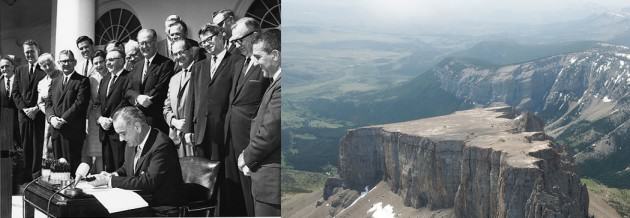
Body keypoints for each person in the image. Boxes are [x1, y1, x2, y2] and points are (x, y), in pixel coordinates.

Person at [183, 23, 242, 216]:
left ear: (221, 36)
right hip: (201, 132)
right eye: (203, 42)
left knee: (224, 178)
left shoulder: (236, 61)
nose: (207, 44)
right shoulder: (199, 66)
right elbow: (191, 99)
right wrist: (188, 129)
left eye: (209, 39)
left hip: (223, 131)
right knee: (203, 179)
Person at [88, 106, 184, 206]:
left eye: (123, 133)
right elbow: (127, 168)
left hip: (162, 209)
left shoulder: (162, 145)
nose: (121, 139)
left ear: (137, 127)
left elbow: (148, 182)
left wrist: (110, 181)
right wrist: (111, 175)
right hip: (140, 203)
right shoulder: (132, 142)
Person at [223, 17, 270, 216]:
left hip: (253, 142)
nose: (236, 45)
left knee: (256, 195)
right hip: (233, 140)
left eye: (239, 40)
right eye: (233, 41)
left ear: (254, 35)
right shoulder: (239, 64)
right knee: (241, 194)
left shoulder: (264, 65)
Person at [237, 29, 281, 216]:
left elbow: (270, 132)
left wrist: (246, 156)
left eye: (258, 56)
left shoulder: (282, 87)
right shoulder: (275, 83)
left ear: (275, 55)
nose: (254, 62)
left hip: (272, 185)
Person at [45, 50, 90, 175]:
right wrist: (52, 118)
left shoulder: (82, 81)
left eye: (69, 60)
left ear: (74, 62)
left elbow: (80, 104)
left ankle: (70, 193)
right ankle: (58, 192)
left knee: (71, 166)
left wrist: (63, 119)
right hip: (56, 130)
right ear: (59, 63)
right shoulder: (54, 81)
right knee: (57, 167)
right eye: (63, 61)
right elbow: (48, 103)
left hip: (72, 131)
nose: (66, 63)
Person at [126, 29, 174, 134]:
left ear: (155, 42)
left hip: (156, 121)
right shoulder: (137, 65)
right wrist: (138, 97)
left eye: (147, 42)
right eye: (141, 43)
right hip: (138, 122)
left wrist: (142, 103)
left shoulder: (166, 63)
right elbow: (128, 90)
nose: (144, 46)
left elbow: (160, 89)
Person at [12, 39, 46, 183]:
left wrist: (37, 109)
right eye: (27, 52)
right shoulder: (20, 70)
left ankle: (36, 178)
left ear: (38, 50)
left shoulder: (45, 68)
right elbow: (15, 93)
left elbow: (49, 93)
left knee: (38, 146)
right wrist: (25, 109)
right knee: (25, 146)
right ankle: (25, 178)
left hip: (39, 115)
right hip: (24, 116)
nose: (29, 54)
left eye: (32, 51)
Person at [97, 49, 132, 172]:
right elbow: (97, 104)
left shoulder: (129, 77)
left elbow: (126, 101)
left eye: (111, 60)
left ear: (122, 60)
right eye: (107, 60)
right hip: (105, 131)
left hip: (120, 131)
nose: (107, 63)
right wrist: (101, 119)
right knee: (108, 169)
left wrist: (111, 119)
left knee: (120, 168)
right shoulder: (104, 79)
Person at [163, 39, 194, 157]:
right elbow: (166, 107)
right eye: (175, 54)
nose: (178, 57)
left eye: (181, 52)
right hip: (178, 139)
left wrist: (189, 125)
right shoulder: (174, 79)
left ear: (190, 51)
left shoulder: (200, 71)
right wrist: (173, 121)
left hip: (193, 136)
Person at [82, 50, 107, 173]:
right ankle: (99, 175)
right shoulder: (91, 80)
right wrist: (86, 119)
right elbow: (90, 101)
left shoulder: (112, 75)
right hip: (95, 117)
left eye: (101, 62)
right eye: (96, 63)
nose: (99, 65)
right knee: (98, 152)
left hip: (110, 115)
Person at [0, 56, 21, 194]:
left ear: (13, 66)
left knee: (19, 155)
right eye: (2, 67)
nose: (4, 69)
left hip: (19, 123)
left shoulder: (20, 80)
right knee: (5, 157)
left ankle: (16, 187)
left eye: (7, 66)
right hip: (3, 126)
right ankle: (4, 187)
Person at [36, 53, 61, 159]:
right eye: (44, 66)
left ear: (54, 62)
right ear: (41, 68)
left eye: (49, 64)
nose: (47, 67)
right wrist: (49, 115)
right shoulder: (41, 83)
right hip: (49, 119)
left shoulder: (63, 76)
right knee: (47, 148)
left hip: (64, 117)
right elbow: (40, 102)